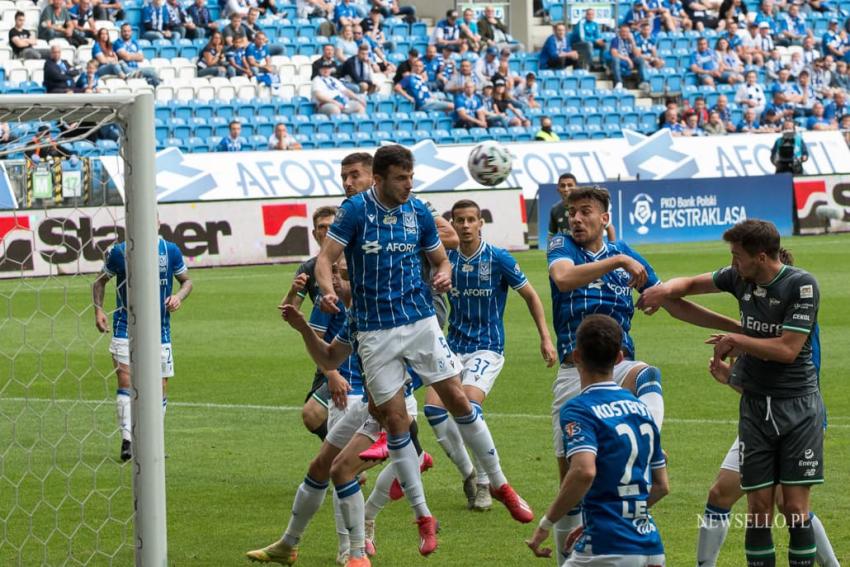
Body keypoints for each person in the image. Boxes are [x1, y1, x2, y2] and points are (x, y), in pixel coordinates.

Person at [313, 145, 535, 559]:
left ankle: (501, 483)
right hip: (375, 331)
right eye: (400, 178)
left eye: (411, 177)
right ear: (379, 179)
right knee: (396, 422)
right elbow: (326, 259)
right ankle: (422, 516)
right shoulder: (356, 211)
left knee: (454, 397)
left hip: (419, 320)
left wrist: (446, 274)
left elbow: (439, 258)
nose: (409, 184)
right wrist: (326, 291)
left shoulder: (417, 212)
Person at [546, 185, 738, 563]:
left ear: (605, 219)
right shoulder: (562, 246)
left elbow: (671, 303)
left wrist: (737, 329)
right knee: (571, 487)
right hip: (576, 373)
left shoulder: (627, 255)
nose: (576, 219)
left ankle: (646, 440)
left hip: (619, 366)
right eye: (572, 212)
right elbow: (564, 279)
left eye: (585, 211)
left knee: (648, 374)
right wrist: (617, 263)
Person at [637, 219, 827, 567]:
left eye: (738, 255)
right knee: (757, 510)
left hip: (798, 408)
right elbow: (692, 284)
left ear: (762, 256)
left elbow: (787, 350)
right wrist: (664, 291)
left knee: (796, 509)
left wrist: (737, 340)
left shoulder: (801, 286)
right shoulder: (740, 278)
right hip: (755, 407)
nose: (733, 262)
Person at [423, 199, 555, 510]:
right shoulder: (445, 259)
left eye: (471, 219)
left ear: (481, 222)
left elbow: (531, 295)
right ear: (453, 224)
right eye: (460, 220)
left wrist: (545, 337)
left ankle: (485, 482)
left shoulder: (499, 259)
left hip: (487, 346)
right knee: (433, 410)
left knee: (468, 408)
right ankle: (468, 472)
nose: (466, 225)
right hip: (452, 346)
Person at [525, 314, 669, 566]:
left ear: (577, 356)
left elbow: (583, 471)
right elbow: (661, 486)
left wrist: (545, 524)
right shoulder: (642, 409)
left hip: (607, 548)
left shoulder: (579, 409)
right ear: (619, 358)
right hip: (651, 547)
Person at [279, 155, 373, 444]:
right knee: (315, 416)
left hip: (361, 352)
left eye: (329, 226)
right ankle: (347, 460)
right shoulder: (310, 268)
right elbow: (290, 313)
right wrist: (294, 292)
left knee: (381, 412)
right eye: (320, 228)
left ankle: (353, 460)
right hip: (329, 354)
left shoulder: (360, 258)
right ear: (314, 232)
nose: (325, 232)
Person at [92, 231, 192, 461]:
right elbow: (99, 282)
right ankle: (128, 442)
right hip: (125, 326)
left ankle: (152, 441)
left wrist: (179, 296)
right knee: (126, 381)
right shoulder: (119, 251)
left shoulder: (170, 250)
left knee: (160, 385)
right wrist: (98, 309)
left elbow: (187, 281)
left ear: (156, 221)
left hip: (159, 329)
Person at [548, 174, 616, 242]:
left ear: (576, 187)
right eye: (563, 186)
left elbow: (609, 227)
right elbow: (551, 234)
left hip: (589, 248)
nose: (566, 189)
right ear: (558, 189)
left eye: (570, 185)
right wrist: (550, 251)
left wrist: (613, 249)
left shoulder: (587, 204)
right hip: (568, 250)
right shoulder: (555, 209)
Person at [609, 24, 645, 89]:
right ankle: (619, 82)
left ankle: (642, 82)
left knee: (640, 60)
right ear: (620, 32)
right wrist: (627, 59)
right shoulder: (615, 40)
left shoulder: (630, 40)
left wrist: (632, 41)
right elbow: (614, 53)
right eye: (623, 32)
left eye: (626, 32)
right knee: (615, 59)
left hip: (630, 59)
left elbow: (637, 54)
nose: (624, 33)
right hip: (620, 59)